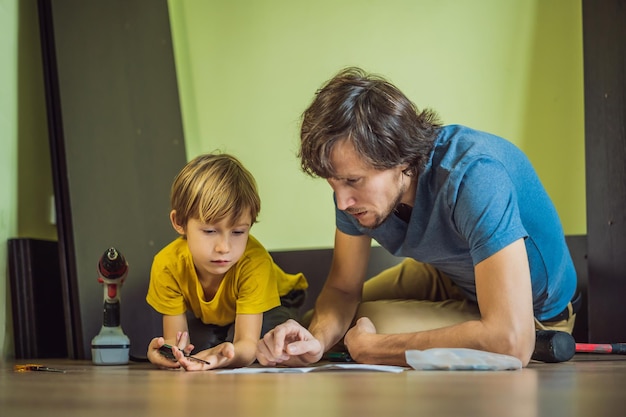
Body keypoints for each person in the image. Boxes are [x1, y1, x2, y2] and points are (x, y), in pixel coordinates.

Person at [256, 67, 577, 368]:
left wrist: (374, 349)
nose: (342, 202)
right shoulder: (354, 194)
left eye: (354, 181)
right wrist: (315, 343)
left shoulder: (474, 176)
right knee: (316, 325)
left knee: (366, 324)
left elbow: (512, 340)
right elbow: (341, 289)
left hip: (535, 314)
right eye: (334, 183)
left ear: (401, 159)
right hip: (451, 276)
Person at [146, 153, 308, 371]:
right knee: (201, 346)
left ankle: (308, 322)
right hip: (221, 315)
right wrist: (170, 355)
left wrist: (225, 357)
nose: (224, 247)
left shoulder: (255, 262)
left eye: (239, 232)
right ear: (180, 222)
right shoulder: (167, 264)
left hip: (279, 299)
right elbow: (176, 342)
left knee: (265, 343)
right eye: (210, 231)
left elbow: (247, 345)